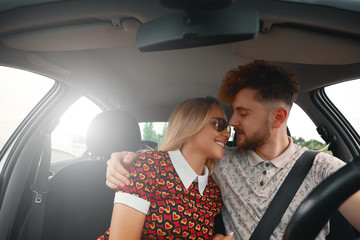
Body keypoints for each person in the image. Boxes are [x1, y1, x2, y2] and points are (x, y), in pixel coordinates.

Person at [105, 60, 360, 239]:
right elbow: (179, 160)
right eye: (230, 115)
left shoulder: (325, 169)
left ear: (278, 118)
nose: (232, 124)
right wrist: (129, 157)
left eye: (242, 113)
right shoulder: (221, 163)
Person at [97, 97, 234, 240]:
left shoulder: (212, 192)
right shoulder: (147, 167)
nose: (227, 133)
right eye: (219, 124)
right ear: (190, 125)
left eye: (228, 127)